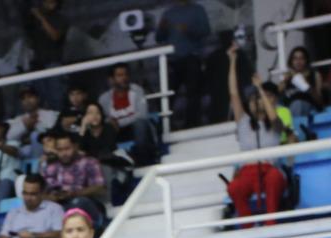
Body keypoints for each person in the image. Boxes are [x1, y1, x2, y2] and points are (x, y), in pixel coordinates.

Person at [227, 44, 288, 222]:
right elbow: (233, 93)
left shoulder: (275, 123)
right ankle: (246, 226)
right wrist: (232, 61)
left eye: (260, 100)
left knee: (275, 179)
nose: (257, 102)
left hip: (270, 169)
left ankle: (271, 223)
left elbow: (272, 113)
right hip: (247, 170)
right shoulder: (243, 122)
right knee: (234, 187)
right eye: (253, 100)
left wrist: (260, 89)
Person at [157, 0, 215, 129]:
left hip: (192, 57)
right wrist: (161, 28)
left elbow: (206, 30)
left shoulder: (198, 9)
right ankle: (164, 127)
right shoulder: (168, 13)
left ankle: (192, 125)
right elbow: (159, 38)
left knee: (193, 93)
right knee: (168, 94)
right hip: (172, 60)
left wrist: (188, 30)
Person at [100, 62, 160, 164]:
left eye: (126, 74)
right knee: (105, 129)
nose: (124, 78)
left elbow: (142, 115)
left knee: (140, 124)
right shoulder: (104, 98)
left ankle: (143, 161)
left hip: (136, 130)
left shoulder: (137, 90)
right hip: (116, 132)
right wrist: (112, 123)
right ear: (112, 79)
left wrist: (118, 122)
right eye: (119, 75)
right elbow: (104, 120)